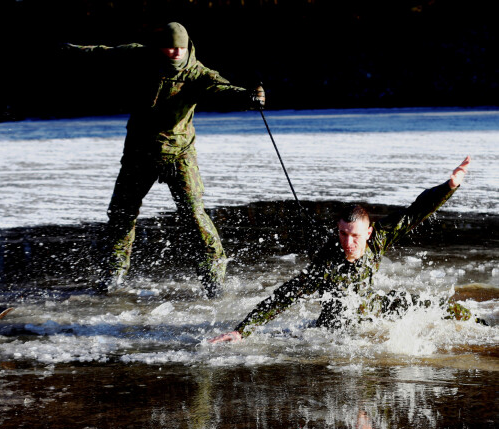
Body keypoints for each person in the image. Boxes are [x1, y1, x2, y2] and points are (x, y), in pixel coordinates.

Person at [61, 22, 265, 297]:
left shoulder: (197, 72)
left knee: (194, 213)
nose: (175, 52)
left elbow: (221, 88)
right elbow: (103, 52)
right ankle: (111, 273)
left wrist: (249, 97)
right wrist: (68, 50)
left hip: (180, 153)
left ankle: (213, 277)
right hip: (139, 152)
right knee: (121, 214)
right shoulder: (140, 55)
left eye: (180, 47)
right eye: (170, 47)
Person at [209, 156, 477, 343]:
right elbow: (284, 296)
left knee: (437, 306)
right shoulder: (327, 265)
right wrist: (242, 331)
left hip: (370, 306)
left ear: (368, 233)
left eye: (355, 236)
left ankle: (485, 328)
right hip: (337, 324)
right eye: (343, 234)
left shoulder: (379, 237)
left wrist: (449, 186)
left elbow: (414, 212)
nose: (348, 243)